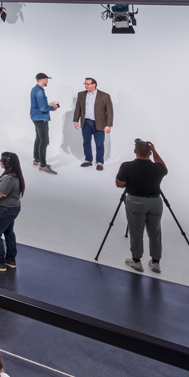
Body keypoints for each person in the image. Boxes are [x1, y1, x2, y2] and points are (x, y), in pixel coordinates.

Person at [116, 140, 168, 273]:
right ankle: (156, 262)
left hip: (136, 202)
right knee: (155, 233)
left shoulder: (126, 166)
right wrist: (154, 150)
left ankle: (136, 261)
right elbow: (163, 166)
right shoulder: (159, 168)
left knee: (136, 232)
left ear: (135, 151)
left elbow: (119, 184)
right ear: (150, 153)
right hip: (156, 203)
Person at [72, 77, 114, 170]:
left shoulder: (104, 96)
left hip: (99, 123)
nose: (86, 86)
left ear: (94, 84)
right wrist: (75, 120)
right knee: (86, 142)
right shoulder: (81, 94)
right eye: (85, 84)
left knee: (99, 144)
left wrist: (108, 125)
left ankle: (99, 162)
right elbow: (78, 108)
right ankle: (88, 160)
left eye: (88, 84)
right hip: (85, 122)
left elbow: (110, 111)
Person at [29, 73, 60, 174]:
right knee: (44, 141)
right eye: (47, 79)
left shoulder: (35, 89)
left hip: (36, 117)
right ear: (43, 79)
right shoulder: (39, 91)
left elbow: (40, 105)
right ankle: (43, 165)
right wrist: (53, 107)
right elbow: (43, 108)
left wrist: (48, 105)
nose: (48, 81)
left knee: (38, 138)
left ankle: (37, 160)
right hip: (41, 118)